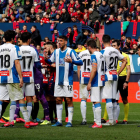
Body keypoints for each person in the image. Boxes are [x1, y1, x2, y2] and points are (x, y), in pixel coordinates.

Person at [44, 36, 83, 127]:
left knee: (68, 100)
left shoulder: (71, 51)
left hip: (67, 81)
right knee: (58, 99)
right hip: (58, 81)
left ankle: (69, 121)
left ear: (65, 42)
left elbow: (80, 62)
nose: (59, 42)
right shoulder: (56, 51)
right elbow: (51, 61)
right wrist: (46, 59)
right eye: (58, 41)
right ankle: (59, 121)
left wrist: (72, 61)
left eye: (61, 41)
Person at [0, 30, 30, 128]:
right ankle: (27, 121)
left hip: (1, 77)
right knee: (20, 98)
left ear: (4, 38)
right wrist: (21, 77)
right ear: (13, 38)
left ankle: (11, 120)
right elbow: (17, 63)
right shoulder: (15, 47)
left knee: (1, 100)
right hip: (11, 77)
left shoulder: (0, 48)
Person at [100, 35, 127, 126]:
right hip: (115, 75)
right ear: (110, 41)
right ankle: (114, 120)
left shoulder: (103, 52)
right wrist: (118, 72)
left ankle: (111, 121)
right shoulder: (115, 50)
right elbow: (124, 60)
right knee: (114, 99)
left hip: (107, 75)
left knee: (108, 98)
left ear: (103, 42)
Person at [20, 32, 42, 126]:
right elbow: (37, 65)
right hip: (29, 77)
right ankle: (27, 120)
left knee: (19, 99)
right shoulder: (33, 50)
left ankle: (12, 120)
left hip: (19, 78)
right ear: (29, 39)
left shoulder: (17, 49)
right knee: (29, 99)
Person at [87, 39, 105, 128]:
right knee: (97, 101)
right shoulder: (101, 54)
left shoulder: (93, 56)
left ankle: (98, 123)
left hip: (96, 81)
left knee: (95, 101)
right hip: (102, 79)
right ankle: (96, 121)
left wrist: (89, 82)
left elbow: (94, 69)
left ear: (89, 47)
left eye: (87, 47)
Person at [114, 40, 130, 124]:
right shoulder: (111, 56)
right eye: (112, 46)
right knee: (111, 98)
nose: (113, 47)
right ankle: (105, 118)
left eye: (115, 46)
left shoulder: (125, 56)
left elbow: (128, 69)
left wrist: (126, 81)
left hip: (122, 78)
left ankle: (125, 119)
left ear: (118, 46)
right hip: (113, 78)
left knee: (124, 99)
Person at [77, 46, 91, 125]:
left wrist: (79, 79)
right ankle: (96, 120)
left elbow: (78, 68)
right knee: (94, 100)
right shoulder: (95, 53)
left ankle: (84, 120)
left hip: (83, 77)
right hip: (92, 78)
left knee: (83, 99)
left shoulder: (81, 54)